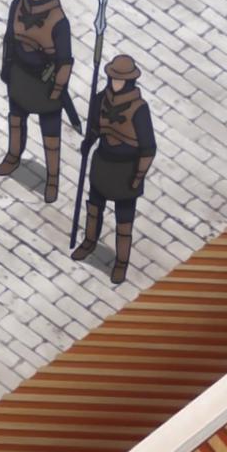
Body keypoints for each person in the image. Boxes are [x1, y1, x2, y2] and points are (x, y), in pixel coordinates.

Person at [0, 0, 80, 202]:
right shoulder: (17, 5)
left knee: (50, 132)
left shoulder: (59, 20)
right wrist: (6, 67)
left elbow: (65, 60)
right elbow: (10, 38)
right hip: (20, 75)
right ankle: (13, 156)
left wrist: (58, 89)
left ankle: (52, 178)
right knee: (16, 119)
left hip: (45, 82)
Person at [72, 55, 157, 283]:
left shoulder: (139, 109)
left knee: (124, 221)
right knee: (94, 207)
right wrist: (89, 141)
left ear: (129, 81)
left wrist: (138, 176)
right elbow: (95, 127)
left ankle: (121, 262)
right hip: (103, 163)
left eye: (121, 80)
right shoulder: (100, 99)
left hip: (126, 170)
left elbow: (148, 148)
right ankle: (89, 241)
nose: (116, 83)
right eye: (114, 78)